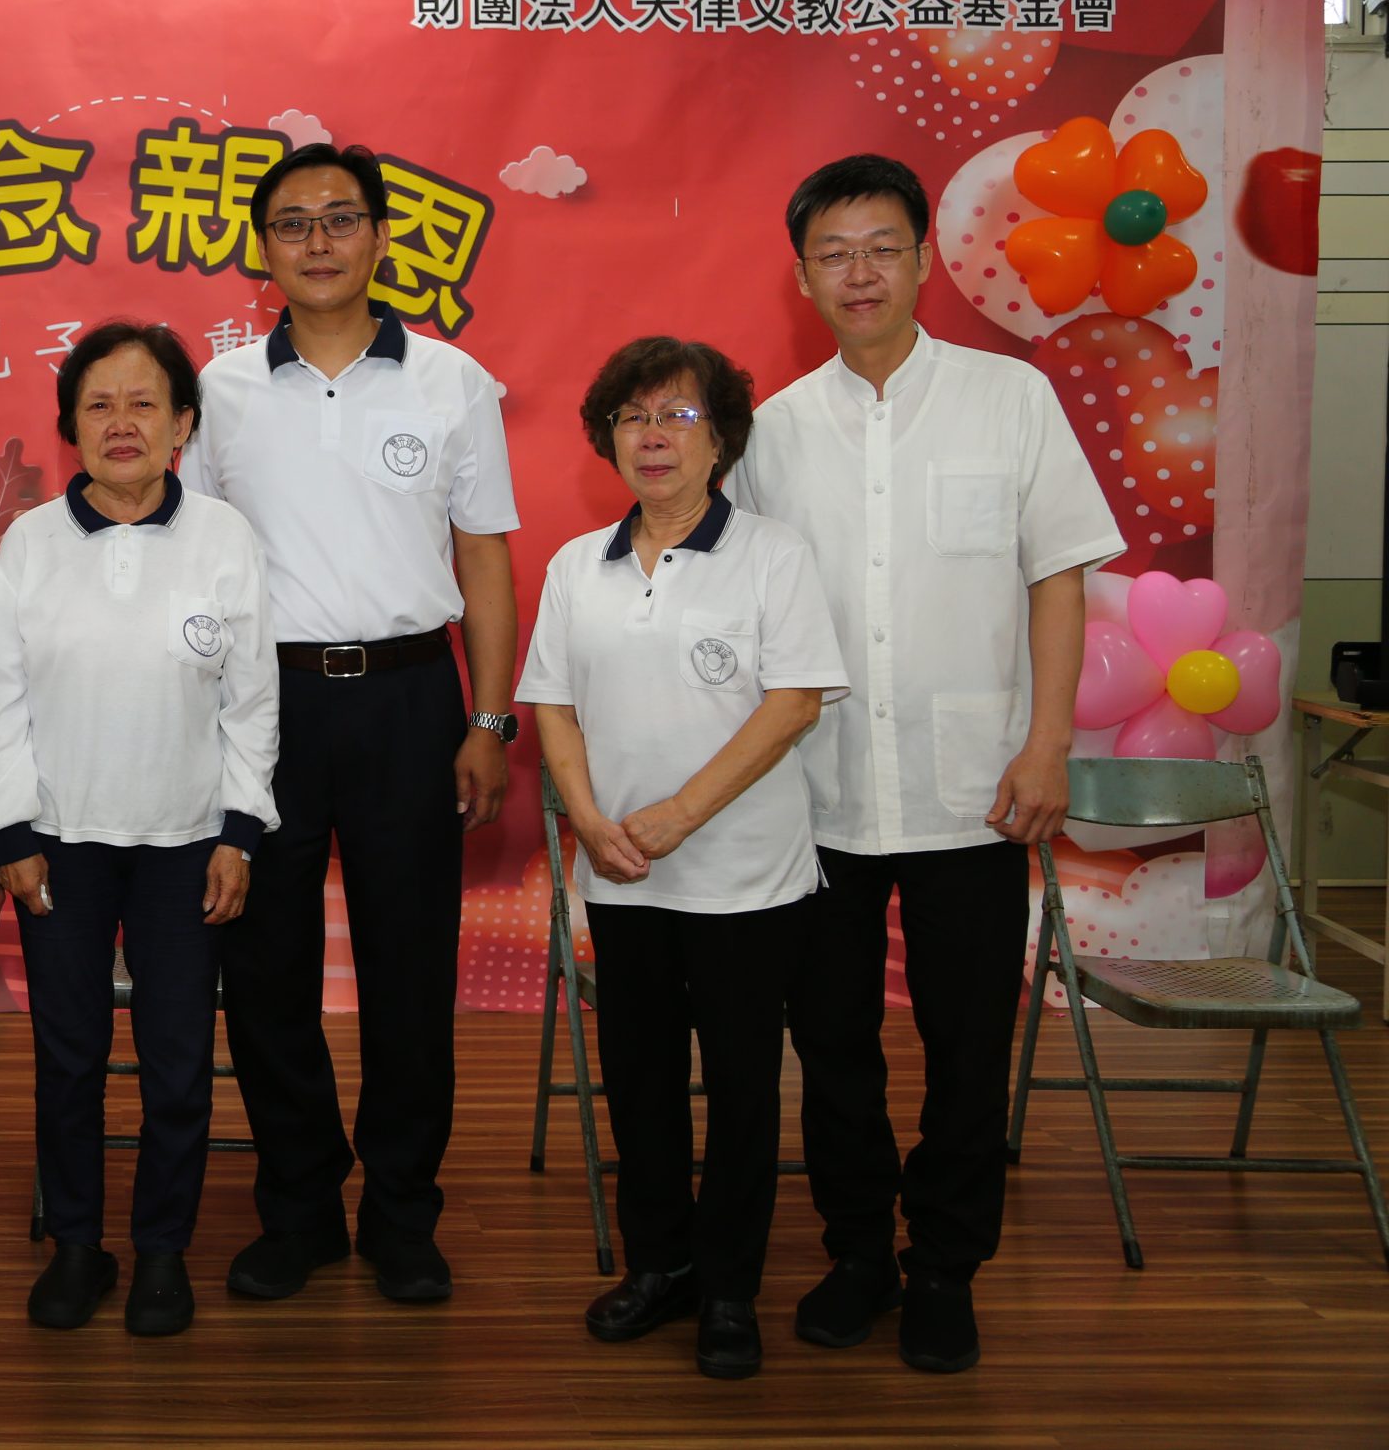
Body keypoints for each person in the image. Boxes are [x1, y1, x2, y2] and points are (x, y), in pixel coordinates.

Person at [727, 155, 1122, 1374]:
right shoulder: (772, 433)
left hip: (976, 791)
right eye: (833, 254)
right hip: (818, 794)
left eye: (881, 248)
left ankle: (946, 1266)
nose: (859, 273)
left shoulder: (1010, 399)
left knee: (966, 1046)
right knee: (831, 1046)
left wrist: (1047, 742)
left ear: (922, 261)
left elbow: (1056, 577)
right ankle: (859, 1255)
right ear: (802, 276)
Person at [179, 142, 520, 1304]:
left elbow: (483, 560)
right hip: (263, 703)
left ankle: (402, 1212)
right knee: (263, 969)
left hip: (410, 697)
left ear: (379, 235)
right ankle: (300, 1209)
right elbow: (195, 560)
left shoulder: (451, 381)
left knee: (408, 967)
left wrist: (487, 718)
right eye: (291, 223)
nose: (316, 241)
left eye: (338, 219)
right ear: (261, 250)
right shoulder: (222, 389)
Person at [520, 337, 848, 1380]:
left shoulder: (773, 555)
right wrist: (588, 819)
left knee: (744, 1089)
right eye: (632, 417)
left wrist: (677, 815)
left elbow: (793, 702)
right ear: (607, 439)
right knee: (642, 1083)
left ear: (721, 441)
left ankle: (730, 1286)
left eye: (678, 416)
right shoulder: (578, 565)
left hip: (745, 880)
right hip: (623, 875)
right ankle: (658, 1264)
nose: (652, 436)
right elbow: (553, 707)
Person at [0, 321, 281, 1338]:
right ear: (70, 426)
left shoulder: (224, 538)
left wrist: (239, 830)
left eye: (145, 403)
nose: (122, 423)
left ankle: (161, 1251)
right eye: (98, 405)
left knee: (178, 1060)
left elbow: (253, 700)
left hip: (188, 843)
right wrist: (11, 833)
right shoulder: (30, 543)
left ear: (184, 424)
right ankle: (76, 1245)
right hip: (60, 843)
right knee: (70, 1057)